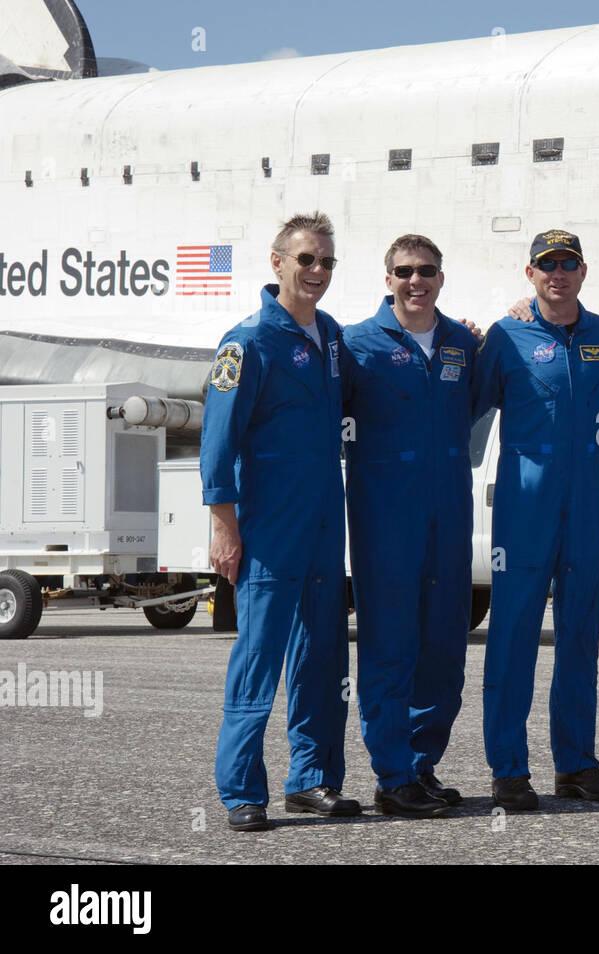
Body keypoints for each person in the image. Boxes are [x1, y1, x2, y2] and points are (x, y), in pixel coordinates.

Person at [201, 212, 358, 832]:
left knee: (322, 654)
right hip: (269, 526)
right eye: (306, 260)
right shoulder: (248, 342)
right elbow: (217, 444)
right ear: (278, 263)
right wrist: (224, 526)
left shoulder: (335, 337)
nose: (316, 271)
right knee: (259, 658)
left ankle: (311, 779)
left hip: (324, 523)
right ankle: (241, 789)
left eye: (326, 261)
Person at [470, 229, 599, 810]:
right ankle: (508, 769)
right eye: (546, 265)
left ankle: (577, 763)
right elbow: (466, 402)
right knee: (512, 638)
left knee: (581, 639)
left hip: (586, 506)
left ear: (583, 271)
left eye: (567, 263)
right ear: (530, 273)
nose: (556, 273)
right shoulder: (506, 338)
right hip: (523, 510)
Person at [342, 234, 478, 818]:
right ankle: (391, 775)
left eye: (425, 271)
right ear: (388, 278)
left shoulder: (463, 345)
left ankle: (422, 768)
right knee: (390, 649)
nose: (415, 281)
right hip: (385, 524)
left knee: (444, 649)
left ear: (441, 278)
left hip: (449, 519)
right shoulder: (354, 346)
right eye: (403, 271)